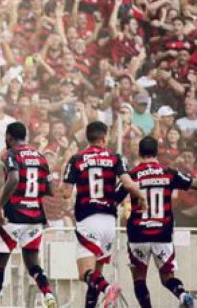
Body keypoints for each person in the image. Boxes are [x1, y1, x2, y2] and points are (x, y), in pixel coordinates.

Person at [119, 136, 197, 308]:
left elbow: (114, 198)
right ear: (156, 152)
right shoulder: (169, 173)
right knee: (167, 278)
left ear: (139, 153)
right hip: (162, 233)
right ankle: (182, 293)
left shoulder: (132, 175)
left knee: (139, 278)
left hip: (138, 233)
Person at [61, 121, 146, 308]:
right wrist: (141, 198)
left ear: (87, 138)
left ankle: (108, 289)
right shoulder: (115, 158)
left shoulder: (77, 159)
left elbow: (66, 193)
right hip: (109, 221)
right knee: (95, 275)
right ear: (105, 138)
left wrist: (64, 168)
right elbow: (129, 184)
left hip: (88, 219)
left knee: (85, 274)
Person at [0, 122, 57, 308]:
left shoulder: (12, 154)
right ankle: (48, 293)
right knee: (32, 263)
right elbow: (51, 190)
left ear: (10, 137)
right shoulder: (41, 157)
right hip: (35, 218)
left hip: (13, 216)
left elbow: (14, 177)